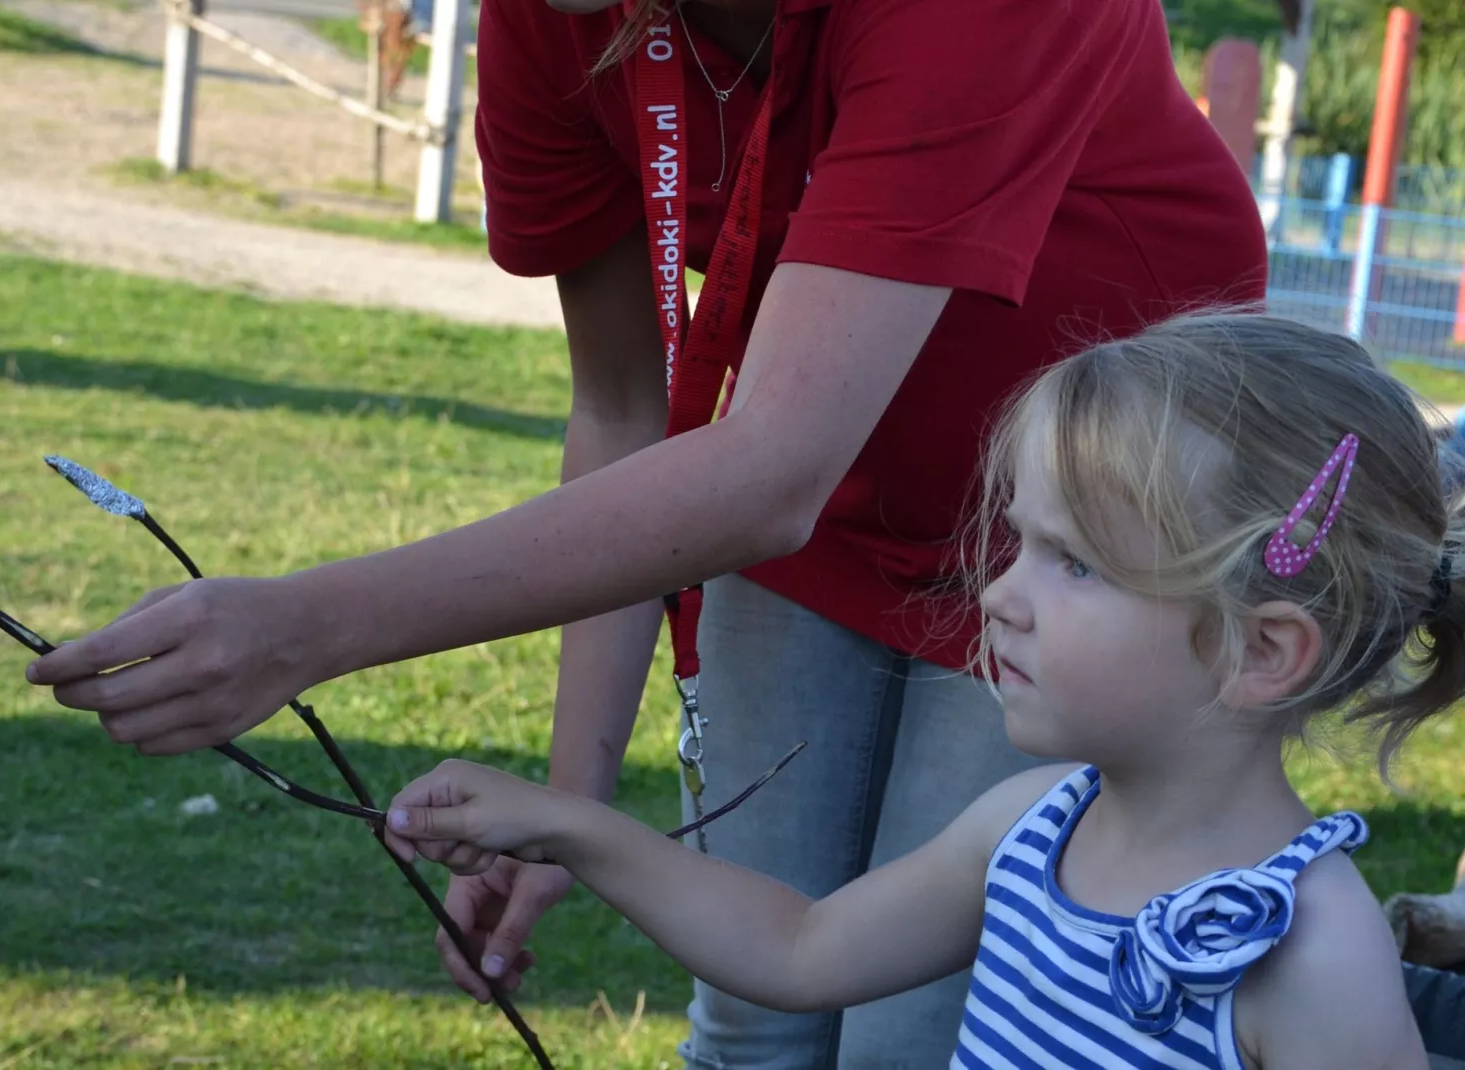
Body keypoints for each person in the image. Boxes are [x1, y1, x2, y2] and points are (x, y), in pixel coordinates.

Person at [23, 0, 1266, 1063]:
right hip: (821, 501)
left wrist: (304, 625)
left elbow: (767, 463)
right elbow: (627, 411)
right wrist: (567, 808)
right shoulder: (560, 16)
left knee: (921, 1031)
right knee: (751, 1017)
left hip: (1093, 537)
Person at [381, 312, 1449, 1070]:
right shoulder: (1033, 827)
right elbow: (797, 948)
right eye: (1020, 542)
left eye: (1072, 563)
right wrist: (570, 824)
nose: (1000, 593)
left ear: (1263, 649)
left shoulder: (1309, 951)